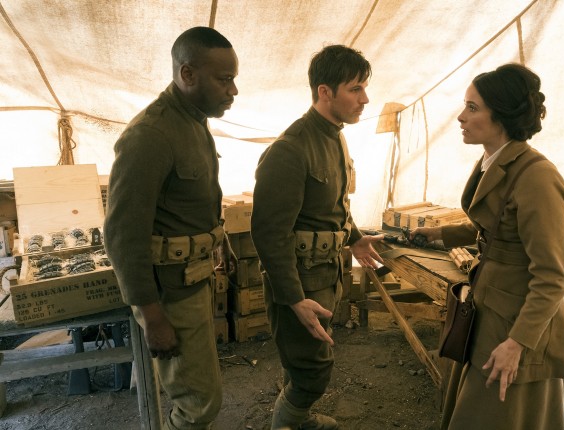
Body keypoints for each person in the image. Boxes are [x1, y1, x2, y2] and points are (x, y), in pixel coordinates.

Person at [411, 63, 564, 430]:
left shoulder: (537, 177)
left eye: (472, 108)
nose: (461, 117)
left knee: (495, 415)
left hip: (517, 320)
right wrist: (442, 235)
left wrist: (517, 343)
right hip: (488, 307)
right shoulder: (494, 161)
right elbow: (497, 225)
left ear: (501, 115)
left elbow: (552, 278)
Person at [104, 26, 238, 430]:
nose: (233, 91)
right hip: (168, 294)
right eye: (224, 80)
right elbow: (123, 235)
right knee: (198, 404)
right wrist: (153, 316)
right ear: (188, 74)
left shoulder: (193, 121)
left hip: (191, 281)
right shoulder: (151, 135)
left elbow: (189, 202)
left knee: (200, 395)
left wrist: (220, 240)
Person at [251, 44, 384, 430]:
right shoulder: (290, 150)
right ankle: (286, 422)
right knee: (313, 370)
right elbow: (269, 234)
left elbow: (334, 203)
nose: (365, 98)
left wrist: (354, 237)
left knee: (303, 360)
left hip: (326, 274)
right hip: (300, 282)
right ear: (325, 92)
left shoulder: (335, 136)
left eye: (364, 88)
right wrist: (294, 299)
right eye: (355, 89)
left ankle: (299, 418)